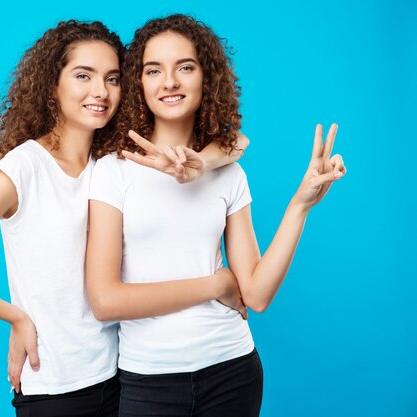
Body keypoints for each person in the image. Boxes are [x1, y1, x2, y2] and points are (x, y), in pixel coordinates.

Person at [0, 19, 250, 417]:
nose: (100, 91)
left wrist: (203, 163)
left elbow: (237, 141)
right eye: (83, 76)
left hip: (118, 377)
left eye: (113, 78)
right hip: (55, 387)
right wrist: (14, 317)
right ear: (53, 85)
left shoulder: (110, 161)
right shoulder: (22, 171)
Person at [86, 14, 346, 417]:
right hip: (149, 380)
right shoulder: (112, 172)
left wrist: (300, 204)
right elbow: (104, 301)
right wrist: (213, 285)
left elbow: (256, 294)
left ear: (207, 79)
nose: (169, 81)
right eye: (153, 70)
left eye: (184, 68)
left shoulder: (228, 171)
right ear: (140, 83)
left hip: (233, 370)